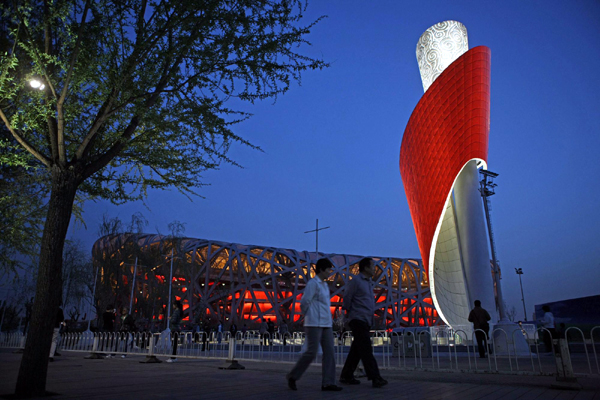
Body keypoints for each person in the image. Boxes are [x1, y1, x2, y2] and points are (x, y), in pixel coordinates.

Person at [286, 258, 342, 392]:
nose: (330, 272)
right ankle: (293, 376)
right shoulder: (313, 283)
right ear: (322, 270)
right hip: (314, 323)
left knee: (330, 353)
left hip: (326, 324)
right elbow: (304, 302)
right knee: (311, 352)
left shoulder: (324, 285)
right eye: (328, 269)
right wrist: (309, 315)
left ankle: (328, 383)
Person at [340, 257, 387, 388]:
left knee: (357, 349)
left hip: (365, 320)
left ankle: (346, 375)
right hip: (357, 319)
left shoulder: (368, 283)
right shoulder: (356, 281)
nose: (374, 269)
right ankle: (375, 377)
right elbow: (347, 297)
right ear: (365, 267)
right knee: (366, 348)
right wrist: (349, 313)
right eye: (372, 266)